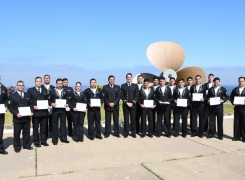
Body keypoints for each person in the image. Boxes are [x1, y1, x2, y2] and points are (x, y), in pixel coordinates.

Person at [9, 81, 34, 153]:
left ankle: (26, 145)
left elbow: (31, 105)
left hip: (26, 117)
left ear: (24, 86)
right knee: (17, 133)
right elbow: (11, 107)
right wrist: (16, 114)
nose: (21, 86)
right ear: (16, 86)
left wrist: (32, 111)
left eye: (22, 85)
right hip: (17, 117)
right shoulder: (12, 95)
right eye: (19, 85)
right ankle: (17, 146)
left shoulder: (27, 95)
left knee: (26, 132)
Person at [27, 77, 49, 147]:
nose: (39, 82)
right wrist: (33, 106)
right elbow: (28, 101)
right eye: (37, 81)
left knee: (43, 127)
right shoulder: (30, 90)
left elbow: (47, 99)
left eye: (40, 81)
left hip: (44, 112)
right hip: (36, 112)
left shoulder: (44, 90)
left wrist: (48, 105)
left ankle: (43, 140)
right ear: (34, 82)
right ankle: (36, 141)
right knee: (35, 128)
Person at [49, 78, 69, 145]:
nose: (60, 85)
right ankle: (55, 139)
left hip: (63, 110)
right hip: (55, 110)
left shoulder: (65, 91)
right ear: (56, 84)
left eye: (61, 83)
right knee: (55, 125)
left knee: (63, 124)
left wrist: (67, 104)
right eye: (58, 83)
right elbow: (49, 100)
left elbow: (68, 100)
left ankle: (64, 138)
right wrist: (51, 103)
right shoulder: (52, 91)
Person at [121, 73, 139, 138]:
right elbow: (122, 96)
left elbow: (137, 95)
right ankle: (126, 132)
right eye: (128, 77)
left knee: (133, 119)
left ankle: (133, 132)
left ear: (131, 78)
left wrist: (133, 103)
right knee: (126, 119)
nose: (129, 78)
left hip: (133, 105)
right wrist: (127, 102)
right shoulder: (123, 86)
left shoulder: (135, 86)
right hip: (126, 105)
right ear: (126, 78)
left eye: (130, 77)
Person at [230, 77, 245, 142]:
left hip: (244, 109)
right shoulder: (235, 89)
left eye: (242, 81)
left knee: (244, 123)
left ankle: (244, 137)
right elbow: (231, 97)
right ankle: (236, 136)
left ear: (244, 82)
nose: (240, 82)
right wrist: (233, 102)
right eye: (239, 81)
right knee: (236, 123)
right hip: (237, 108)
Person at [41, 74, 55, 138]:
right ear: (44, 79)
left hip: (51, 106)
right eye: (45, 78)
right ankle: (45, 135)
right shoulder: (41, 87)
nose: (47, 79)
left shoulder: (53, 87)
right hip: (43, 107)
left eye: (48, 78)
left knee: (52, 121)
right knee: (44, 122)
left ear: (50, 79)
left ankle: (52, 135)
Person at [0, 82, 8, 154]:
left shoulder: (4, 88)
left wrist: (6, 106)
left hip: (1, 112)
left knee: (0, 130)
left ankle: (1, 148)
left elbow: (6, 99)